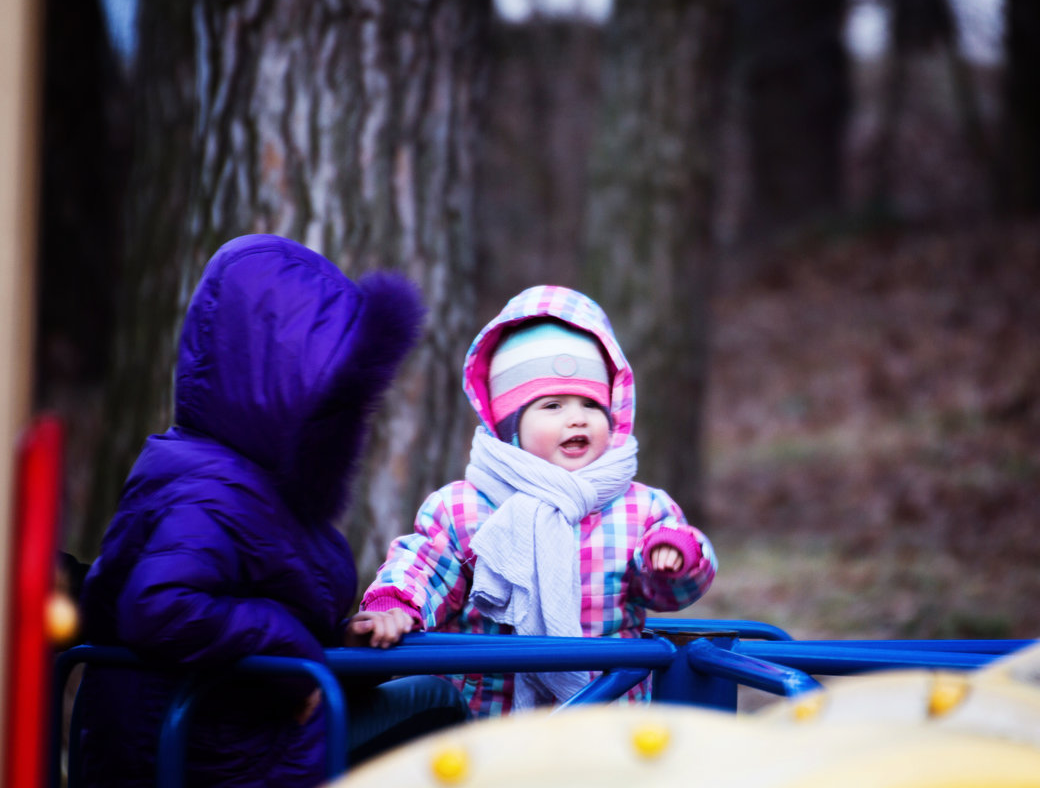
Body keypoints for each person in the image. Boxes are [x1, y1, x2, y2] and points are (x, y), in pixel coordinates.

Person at [75, 234, 468, 786]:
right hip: (198, 750)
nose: (351, 430)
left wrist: (337, 639)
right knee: (435, 703)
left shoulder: (242, 485)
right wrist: (295, 655)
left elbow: (237, 606)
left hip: (222, 730)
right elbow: (161, 603)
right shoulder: (211, 491)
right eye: (337, 406)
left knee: (415, 691)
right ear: (283, 389)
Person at [360, 284, 718, 716]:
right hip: (487, 722)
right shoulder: (465, 507)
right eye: (552, 405)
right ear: (510, 425)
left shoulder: (640, 509)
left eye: (590, 403)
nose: (577, 417)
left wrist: (675, 557)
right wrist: (394, 606)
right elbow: (425, 566)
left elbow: (671, 593)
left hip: (608, 719)